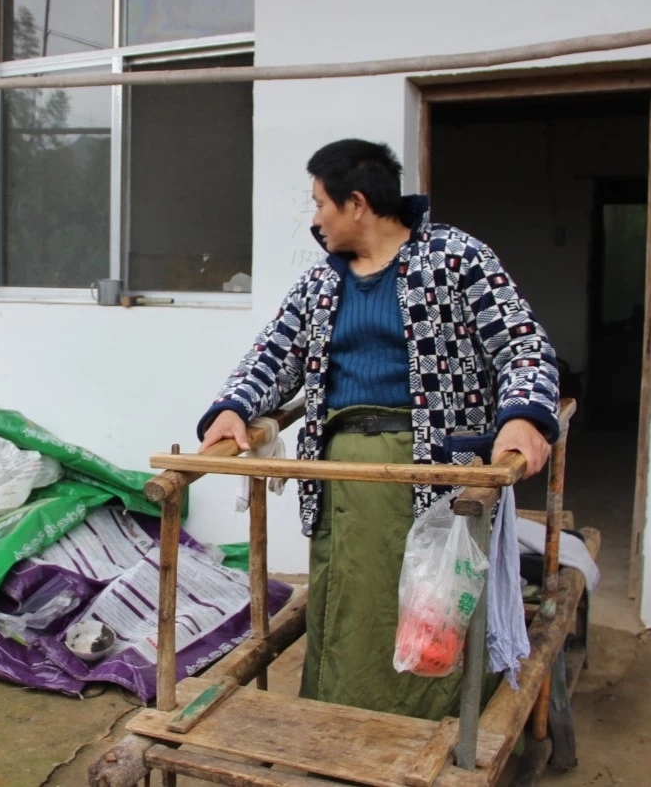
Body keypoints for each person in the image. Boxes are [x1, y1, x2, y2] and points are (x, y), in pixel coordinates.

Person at [197, 139, 559, 719]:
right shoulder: (320, 285)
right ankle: (339, 723)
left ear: (357, 203)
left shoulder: (456, 258)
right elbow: (271, 357)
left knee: (436, 603)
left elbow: (523, 347)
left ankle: (436, 729)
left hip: (438, 471)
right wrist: (234, 407)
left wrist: (522, 417)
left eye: (321, 204)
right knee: (349, 601)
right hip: (343, 475)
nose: (316, 219)